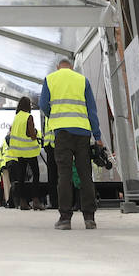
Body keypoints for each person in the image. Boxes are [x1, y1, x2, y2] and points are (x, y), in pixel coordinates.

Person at [40, 59, 103, 230]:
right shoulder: (82, 80)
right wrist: (97, 135)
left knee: (64, 175)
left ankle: (65, 218)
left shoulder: (50, 79)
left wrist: (54, 116)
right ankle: (89, 218)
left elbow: (43, 104)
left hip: (62, 132)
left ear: (57, 67)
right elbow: (92, 110)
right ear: (72, 67)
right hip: (83, 132)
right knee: (85, 175)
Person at [6, 97, 43, 210]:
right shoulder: (28, 116)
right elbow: (31, 134)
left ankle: (22, 201)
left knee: (21, 176)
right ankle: (35, 200)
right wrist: (36, 132)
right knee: (36, 174)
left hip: (19, 151)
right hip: (29, 150)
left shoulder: (17, 117)